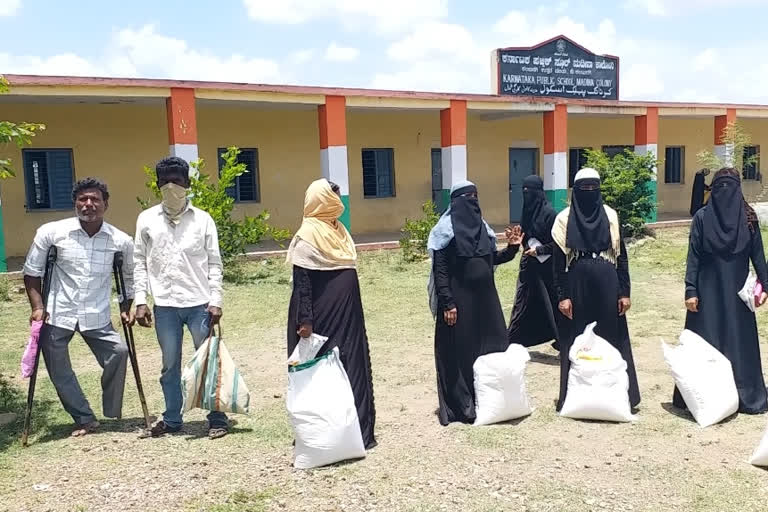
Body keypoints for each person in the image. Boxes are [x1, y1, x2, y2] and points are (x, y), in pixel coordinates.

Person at [23, 178, 133, 437]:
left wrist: (127, 305)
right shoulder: (52, 233)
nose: (88, 204)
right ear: (75, 203)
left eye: (95, 199)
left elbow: (129, 277)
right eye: (82, 199)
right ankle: (84, 417)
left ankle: (110, 409)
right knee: (59, 368)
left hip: (97, 314)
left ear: (106, 204)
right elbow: (32, 272)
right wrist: (38, 307)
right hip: (57, 312)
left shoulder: (121, 240)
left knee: (119, 352)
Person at [133, 156, 227, 439]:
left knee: (207, 361)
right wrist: (140, 300)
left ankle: (217, 417)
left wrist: (216, 300)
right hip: (165, 306)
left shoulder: (203, 220)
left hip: (200, 304)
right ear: (158, 185)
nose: (172, 187)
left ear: (188, 184)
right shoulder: (146, 219)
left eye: (178, 181)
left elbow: (215, 263)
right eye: (165, 182)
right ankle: (173, 418)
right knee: (169, 364)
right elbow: (138, 261)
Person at [286, 178, 377, 449]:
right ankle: (321, 436)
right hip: (320, 319)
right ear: (322, 200)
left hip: (348, 316)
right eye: (334, 197)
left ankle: (357, 431)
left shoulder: (339, 231)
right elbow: (302, 282)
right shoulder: (308, 235)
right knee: (321, 373)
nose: (339, 202)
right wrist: (305, 321)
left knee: (351, 366)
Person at [674, 167, 768, 414]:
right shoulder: (703, 218)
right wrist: (690, 290)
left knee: (740, 342)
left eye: (730, 186)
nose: (725, 192)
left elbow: (758, 255)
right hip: (706, 293)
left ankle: (745, 396)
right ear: (713, 190)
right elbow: (693, 256)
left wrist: (765, 285)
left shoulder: (748, 218)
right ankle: (704, 396)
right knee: (706, 342)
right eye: (721, 186)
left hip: (738, 294)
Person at [427, 180, 521, 425]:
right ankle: (462, 405)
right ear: (456, 202)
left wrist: (511, 250)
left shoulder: (483, 229)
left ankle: (489, 400)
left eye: (475, 196)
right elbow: (441, 272)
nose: (472, 201)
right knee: (460, 352)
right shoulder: (444, 232)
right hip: (459, 304)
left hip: (486, 302)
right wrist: (448, 303)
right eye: (467, 197)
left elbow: (491, 259)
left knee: (493, 345)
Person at [551, 168, 640, 411]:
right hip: (577, 284)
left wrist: (624, 292)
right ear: (575, 191)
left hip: (607, 282)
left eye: (594, 188)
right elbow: (558, 264)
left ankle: (619, 396)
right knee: (577, 339)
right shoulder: (563, 219)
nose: (589, 193)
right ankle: (575, 397)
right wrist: (563, 296)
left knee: (612, 336)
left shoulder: (610, 215)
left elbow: (621, 255)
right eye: (584, 189)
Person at [507, 175, 563, 351]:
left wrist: (540, 251)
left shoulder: (550, 214)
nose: (526, 195)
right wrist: (518, 241)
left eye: (530, 191)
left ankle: (562, 338)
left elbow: (559, 243)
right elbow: (527, 236)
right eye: (524, 191)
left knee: (552, 303)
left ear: (539, 192)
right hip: (529, 265)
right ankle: (513, 339)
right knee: (523, 302)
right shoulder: (527, 212)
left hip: (547, 268)